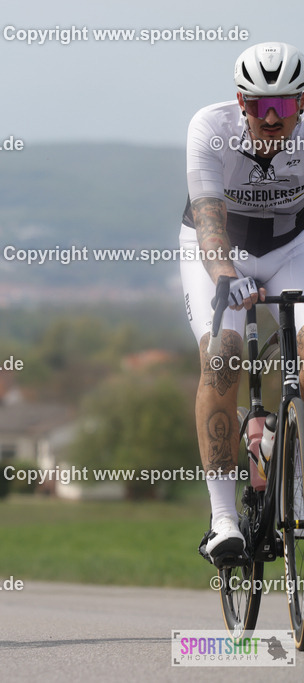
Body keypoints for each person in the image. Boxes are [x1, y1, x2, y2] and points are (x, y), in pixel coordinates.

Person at [180, 42, 304, 565]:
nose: (272, 118)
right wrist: (225, 273)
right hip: (220, 246)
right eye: (258, 105)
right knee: (225, 355)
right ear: (240, 102)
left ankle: (292, 474)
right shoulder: (210, 126)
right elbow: (209, 217)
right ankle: (224, 518)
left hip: (292, 245)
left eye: (286, 106)